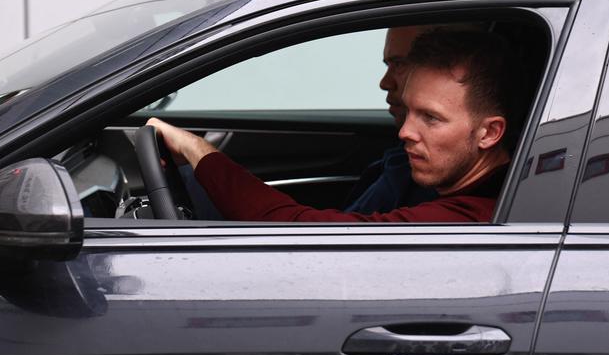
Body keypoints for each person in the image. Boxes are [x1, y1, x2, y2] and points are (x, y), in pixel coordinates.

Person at [147, 28, 523, 223]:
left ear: (489, 133)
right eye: (408, 112)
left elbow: (303, 233)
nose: (405, 132)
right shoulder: (476, 191)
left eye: (431, 118)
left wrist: (200, 152)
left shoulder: (467, 218)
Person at [344, 26, 437, 213]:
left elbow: (347, 234)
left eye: (401, 64)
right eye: (389, 65)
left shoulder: (448, 205)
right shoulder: (402, 159)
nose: (384, 83)